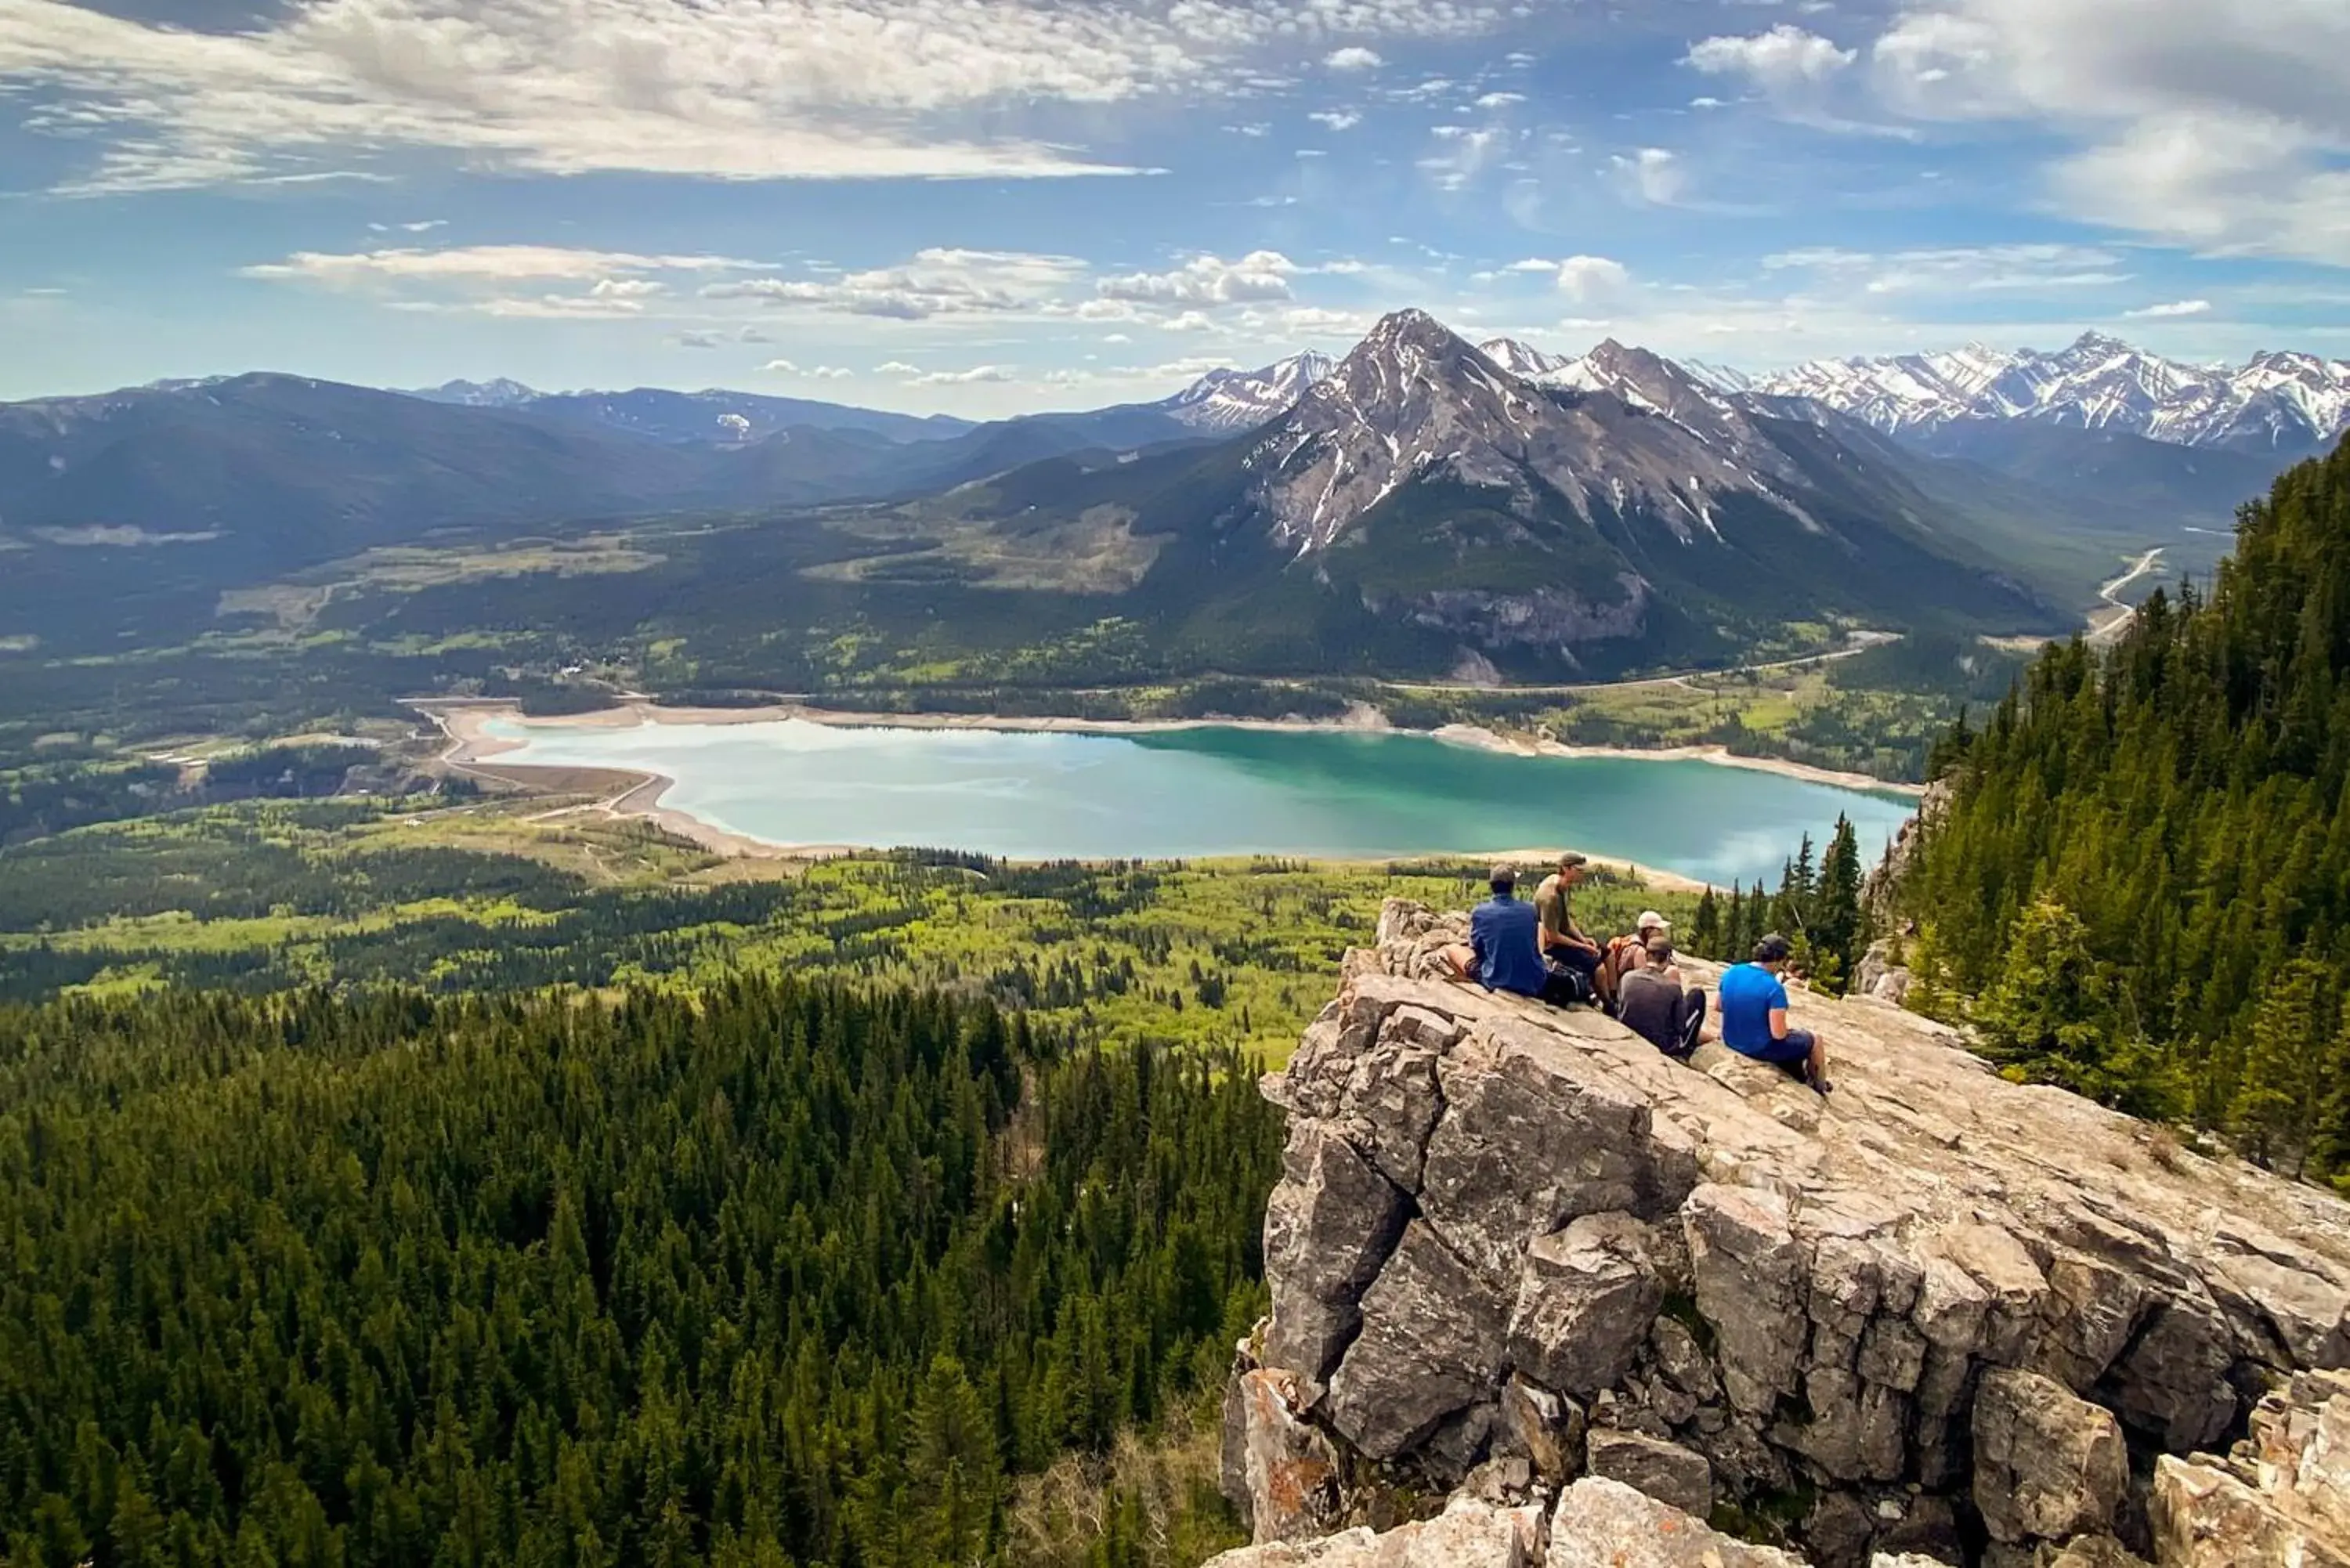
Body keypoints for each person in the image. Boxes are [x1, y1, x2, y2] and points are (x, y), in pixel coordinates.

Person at [1717, 932, 1831, 1093]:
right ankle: (1820, 1086)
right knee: (1815, 1040)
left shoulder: (1732, 971)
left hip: (1731, 1039)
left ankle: (1799, 1073)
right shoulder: (1774, 988)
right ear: (1779, 960)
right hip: (1758, 1048)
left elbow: (1719, 1006)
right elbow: (1779, 1035)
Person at [1442, 865, 1555, 1000]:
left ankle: (1473, 989)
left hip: (1497, 980)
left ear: (1491, 886)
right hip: (1534, 980)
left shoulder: (1481, 912)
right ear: (1513, 886)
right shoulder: (1530, 910)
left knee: (1452, 949)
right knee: (1540, 927)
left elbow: (1477, 947)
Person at [1616, 937, 1708, 1059]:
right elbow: (1680, 1026)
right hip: (1665, 1045)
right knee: (1697, 995)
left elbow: (1621, 1008)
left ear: (1646, 955)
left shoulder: (1627, 978)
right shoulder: (1672, 987)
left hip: (1631, 1034)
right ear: (1667, 958)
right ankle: (1686, 1050)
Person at [1534, 852, 1603, 992]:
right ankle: (1606, 1003)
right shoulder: (1551, 897)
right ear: (1566, 869)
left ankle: (1613, 995)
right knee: (1599, 968)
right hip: (1551, 945)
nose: (1582, 874)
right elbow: (1552, 936)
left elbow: (1566, 921)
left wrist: (1583, 939)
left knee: (1606, 953)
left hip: (1561, 936)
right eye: (1578, 870)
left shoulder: (1560, 884)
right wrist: (1583, 947)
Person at [1597, 909, 1672, 1012]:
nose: (1662, 933)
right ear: (1649, 931)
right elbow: (1645, 984)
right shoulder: (1640, 951)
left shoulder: (1628, 940)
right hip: (1624, 999)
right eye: (1659, 929)